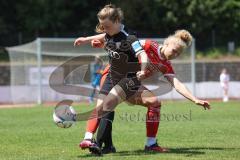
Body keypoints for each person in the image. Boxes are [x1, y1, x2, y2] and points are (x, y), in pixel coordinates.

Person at [75, 28, 211, 155]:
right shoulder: (148, 45)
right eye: (174, 50)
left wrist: (195, 99)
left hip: (130, 83)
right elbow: (125, 44)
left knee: (154, 103)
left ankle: (150, 144)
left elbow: (177, 84)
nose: (175, 55)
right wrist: (103, 43)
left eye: (178, 53)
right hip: (112, 74)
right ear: (167, 43)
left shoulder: (165, 65)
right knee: (104, 107)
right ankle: (93, 140)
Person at [74, 4, 161, 154]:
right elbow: (104, 37)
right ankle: (89, 139)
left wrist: (142, 69)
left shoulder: (129, 37)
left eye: (106, 26)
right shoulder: (109, 33)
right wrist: (86, 39)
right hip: (112, 77)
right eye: (102, 26)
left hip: (128, 80)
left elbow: (142, 55)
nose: (104, 29)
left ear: (116, 21)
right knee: (101, 107)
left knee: (106, 105)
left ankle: (150, 143)